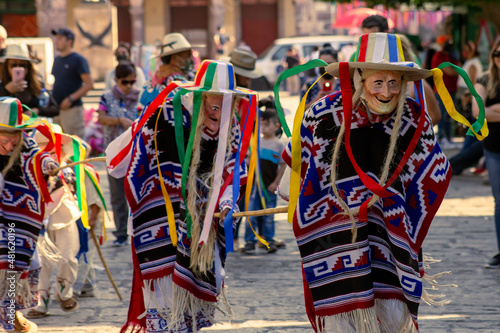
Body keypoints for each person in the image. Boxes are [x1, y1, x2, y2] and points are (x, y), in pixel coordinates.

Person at [278, 33, 483, 332]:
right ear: (360, 78)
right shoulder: (322, 114)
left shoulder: (415, 119)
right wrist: (299, 197)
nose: (386, 92)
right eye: (378, 82)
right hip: (337, 233)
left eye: (394, 82)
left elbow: (433, 171)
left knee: (392, 314)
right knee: (344, 322)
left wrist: (398, 204)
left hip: (391, 231)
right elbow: (298, 167)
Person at [106, 60, 257, 332]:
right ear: (199, 95)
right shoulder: (164, 116)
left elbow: (234, 169)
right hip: (160, 222)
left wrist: (224, 201)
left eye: (229, 101)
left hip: (201, 230)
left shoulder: (230, 125)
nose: (221, 109)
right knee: (164, 301)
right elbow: (138, 164)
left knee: (191, 306)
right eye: (215, 102)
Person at [0, 97, 59, 332]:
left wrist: (48, 164)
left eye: (14, 136)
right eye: (4, 136)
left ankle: (11, 312)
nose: (9, 143)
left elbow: (40, 157)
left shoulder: (26, 146)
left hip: (15, 220)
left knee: (15, 264)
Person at [27, 125, 82, 318]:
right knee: (41, 263)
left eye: (51, 150)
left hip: (65, 215)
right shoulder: (28, 165)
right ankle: (41, 301)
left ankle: (64, 291)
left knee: (68, 257)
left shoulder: (67, 167)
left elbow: (81, 146)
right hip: (38, 218)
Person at [97, 63, 139, 246]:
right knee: (117, 195)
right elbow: (101, 118)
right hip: (114, 153)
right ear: (116, 80)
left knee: (137, 193)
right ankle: (121, 232)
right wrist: (119, 120)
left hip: (135, 153)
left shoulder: (139, 98)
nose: (129, 86)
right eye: (125, 81)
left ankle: (138, 230)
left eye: (132, 81)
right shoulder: (107, 97)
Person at [472, 39, 500, 268]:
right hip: (494, 149)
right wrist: (488, 111)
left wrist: (494, 110)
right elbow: (478, 112)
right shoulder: (485, 80)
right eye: (497, 53)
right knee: (499, 201)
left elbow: (487, 110)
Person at [242, 110, 285, 254]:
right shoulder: (255, 142)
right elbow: (247, 161)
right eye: (261, 125)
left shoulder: (279, 145)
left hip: (269, 186)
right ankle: (249, 241)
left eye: (266, 125)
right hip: (253, 187)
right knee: (251, 213)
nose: (263, 128)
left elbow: (283, 165)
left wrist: (276, 183)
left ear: (277, 126)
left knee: (269, 215)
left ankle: (269, 240)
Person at [51, 27, 94, 138]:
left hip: (72, 110)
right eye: (57, 38)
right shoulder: (57, 59)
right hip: (57, 110)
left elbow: (89, 84)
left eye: (60, 38)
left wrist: (71, 99)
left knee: (74, 144)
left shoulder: (78, 59)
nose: (57, 41)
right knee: (58, 145)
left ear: (69, 41)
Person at [0, 44, 58, 117]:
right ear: (6, 66)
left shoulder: (36, 84)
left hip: (30, 126)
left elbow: (54, 108)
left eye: (23, 65)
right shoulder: (1, 83)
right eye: (13, 65)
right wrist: (6, 90)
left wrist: (38, 110)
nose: (18, 69)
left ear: (28, 67)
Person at [140, 32, 194, 107]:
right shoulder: (180, 83)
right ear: (175, 58)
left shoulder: (151, 81)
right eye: (187, 56)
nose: (191, 59)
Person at [431, 35, 459, 148]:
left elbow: (457, 69)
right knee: (442, 114)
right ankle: (442, 138)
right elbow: (451, 72)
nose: (449, 44)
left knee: (450, 114)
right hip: (441, 91)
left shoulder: (452, 56)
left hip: (452, 89)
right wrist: (456, 69)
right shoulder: (439, 56)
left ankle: (448, 137)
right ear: (441, 44)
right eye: (446, 42)